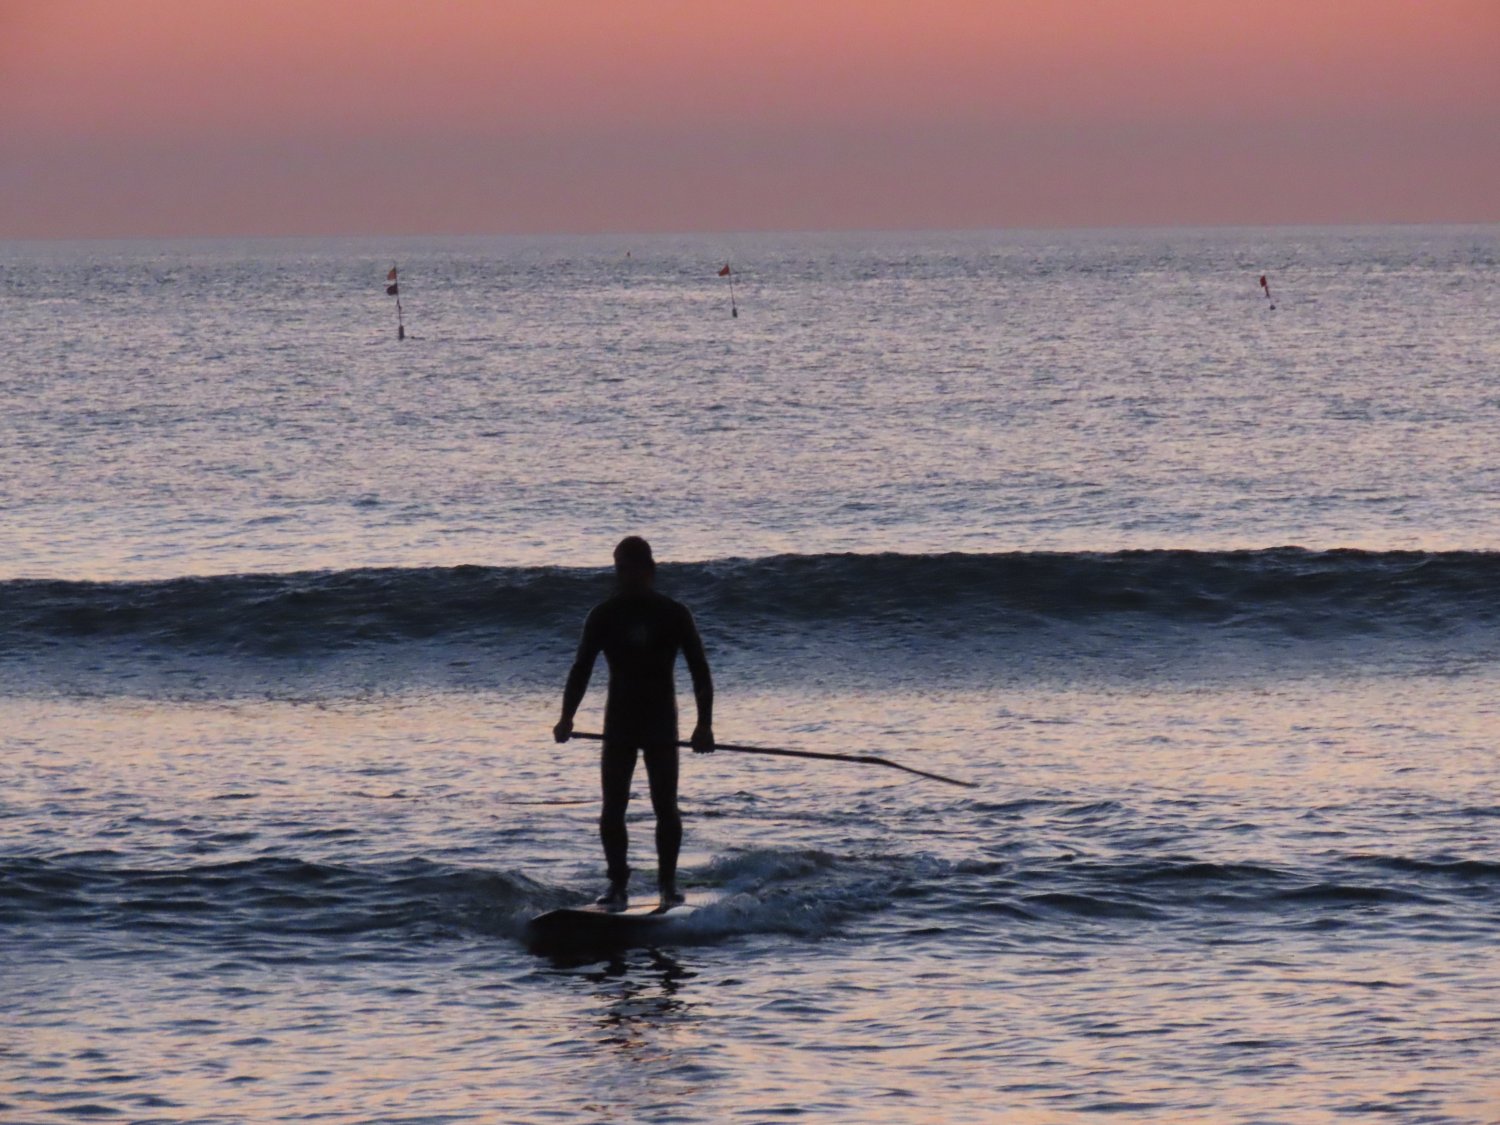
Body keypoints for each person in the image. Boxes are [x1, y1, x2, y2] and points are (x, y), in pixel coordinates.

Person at [553, 536, 714, 911]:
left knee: (665, 806)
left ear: (648, 570)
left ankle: (668, 885)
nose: (621, 575)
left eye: (627, 568)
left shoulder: (674, 613)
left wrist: (704, 724)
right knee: (612, 808)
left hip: (661, 722)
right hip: (619, 723)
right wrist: (566, 716)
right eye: (618, 568)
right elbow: (581, 669)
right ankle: (618, 886)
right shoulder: (604, 615)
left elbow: (699, 670)